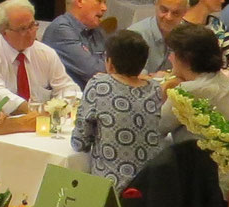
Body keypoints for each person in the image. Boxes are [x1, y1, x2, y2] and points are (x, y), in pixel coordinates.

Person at [69, 30, 167, 190]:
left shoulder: (100, 84)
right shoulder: (155, 89)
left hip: (112, 186)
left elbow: (80, 142)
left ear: (110, 62)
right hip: (149, 185)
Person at [0, 0, 81, 114]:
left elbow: (68, 88)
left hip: (42, 123)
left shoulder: (46, 53)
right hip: (6, 125)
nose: (30, 32)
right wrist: (36, 110)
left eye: (32, 25)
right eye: (23, 29)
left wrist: (58, 106)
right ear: (4, 32)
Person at [161, 22, 229, 142]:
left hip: (225, 158)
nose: (170, 57)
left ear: (186, 58)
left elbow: (158, 127)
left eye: (172, 52)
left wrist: (166, 88)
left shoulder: (190, 90)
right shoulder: (218, 77)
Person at [41, 0, 110, 88]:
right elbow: (93, 71)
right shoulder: (61, 29)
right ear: (79, 1)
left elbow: (116, 62)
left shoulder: (98, 31)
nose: (104, 8)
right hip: (66, 98)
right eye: (99, 1)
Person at [128, 0, 192, 74]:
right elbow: (132, 77)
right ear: (156, 4)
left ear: (186, 11)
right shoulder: (136, 35)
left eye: (176, 13)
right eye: (164, 10)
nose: (168, 17)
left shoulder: (187, 36)